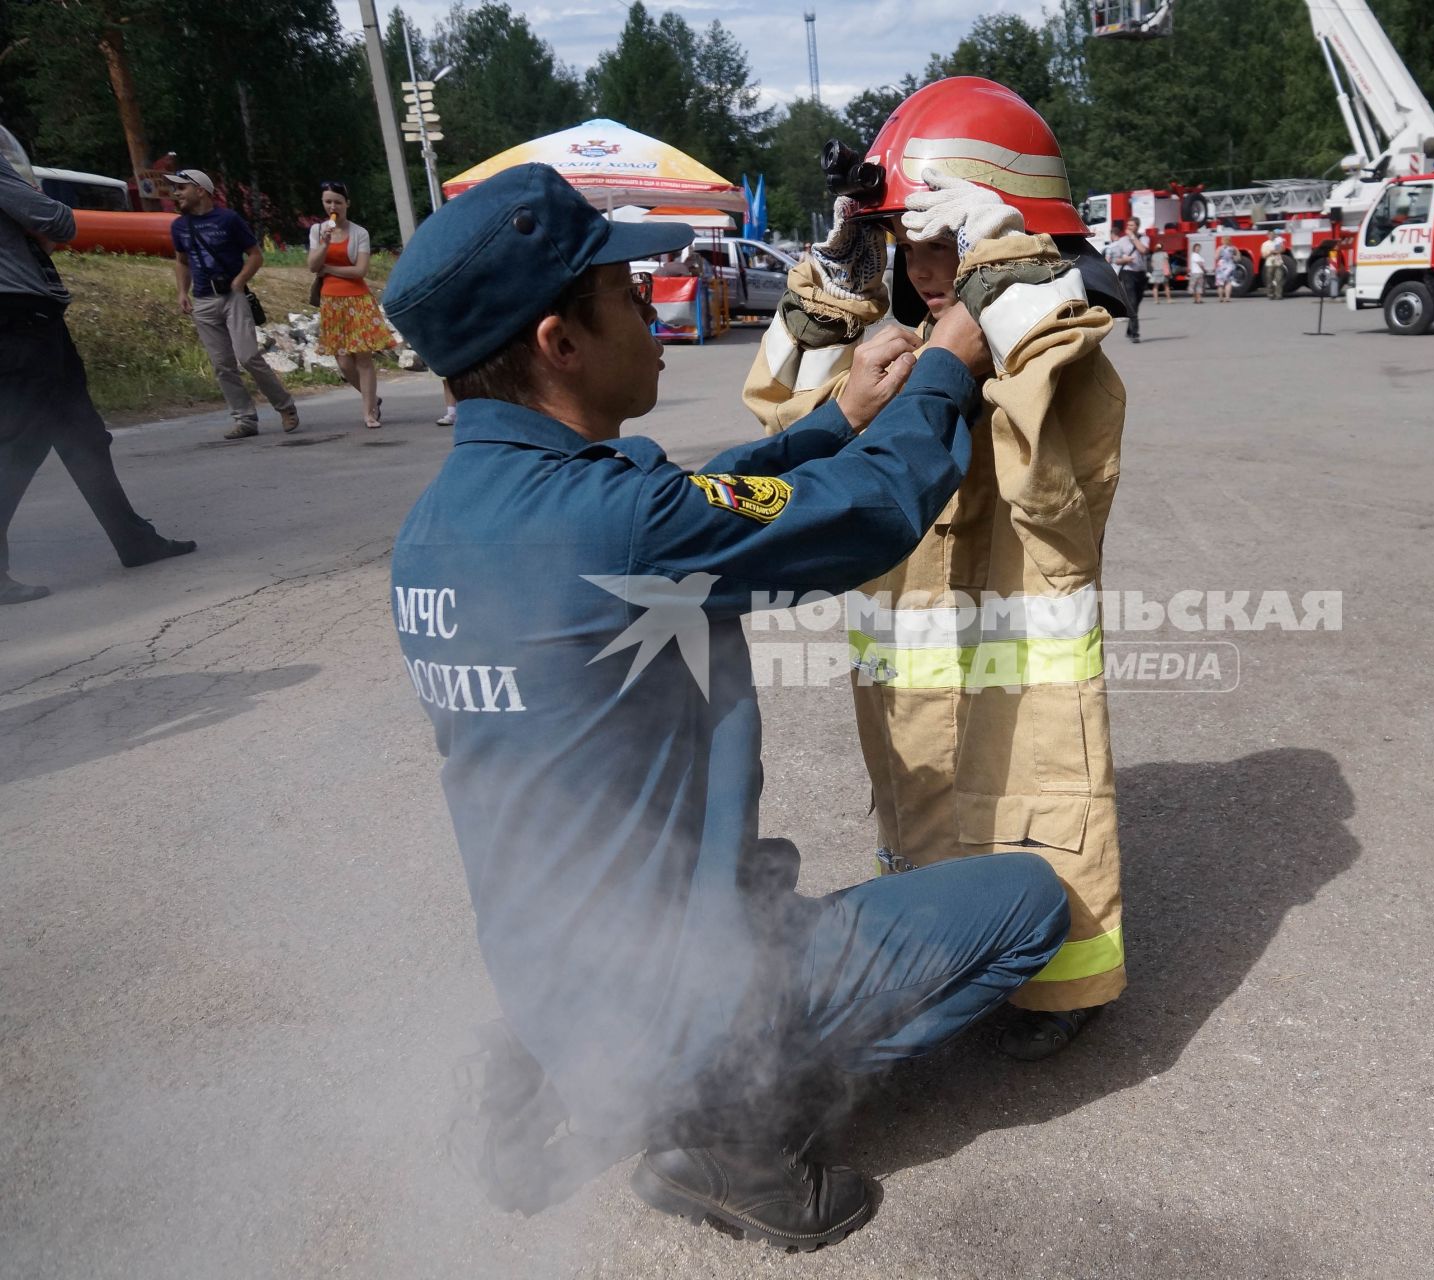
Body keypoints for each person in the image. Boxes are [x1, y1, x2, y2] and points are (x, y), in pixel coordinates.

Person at [381, 162, 1067, 1249]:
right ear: (559, 341)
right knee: (1030, 904)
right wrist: (946, 366)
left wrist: (837, 413)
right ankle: (732, 1137)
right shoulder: (614, 527)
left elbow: (689, 511)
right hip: (686, 991)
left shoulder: (434, 534)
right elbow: (868, 512)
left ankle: (537, 1055)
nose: (658, 311)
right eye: (626, 296)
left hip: (549, 964)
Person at [745, 76, 1131, 1062]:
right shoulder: (903, 354)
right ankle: (950, 949)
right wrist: (832, 286)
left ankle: (1066, 985)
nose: (919, 268)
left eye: (943, 242)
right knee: (924, 820)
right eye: (900, 241)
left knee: (1038, 811)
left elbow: (1053, 475)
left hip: (1021, 693)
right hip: (913, 694)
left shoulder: (1061, 357)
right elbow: (785, 416)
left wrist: (1003, 289)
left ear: (1001, 239)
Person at [0, 142, 194, 604]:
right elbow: (59, 222)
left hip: (28, 318)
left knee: (82, 435)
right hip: (18, 318)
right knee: (19, 444)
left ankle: (134, 540)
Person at [168, 169, 299, 440]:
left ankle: (285, 406)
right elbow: (181, 261)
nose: (176, 193)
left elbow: (255, 255)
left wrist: (239, 281)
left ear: (200, 190)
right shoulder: (179, 226)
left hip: (232, 296)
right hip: (203, 301)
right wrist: (182, 291)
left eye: (182, 188)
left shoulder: (228, 219)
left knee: (248, 355)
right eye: (175, 188)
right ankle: (245, 419)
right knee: (222, 364)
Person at [305, 181, 391, 430]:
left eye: (338, 202)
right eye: (328, 202)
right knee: (343, 362)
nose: (333, 207)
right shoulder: (317, 231)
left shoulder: (359, 233)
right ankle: (372, 398)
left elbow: (360, 270)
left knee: (363, 359)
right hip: (331, 302)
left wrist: (329, 269)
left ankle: (369, 412)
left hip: (357, 299)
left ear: (347, 204)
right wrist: (324, 244)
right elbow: (312, 266)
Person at [1104, 217, 1145, 341]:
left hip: (1141, 273)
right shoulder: (1121, 241)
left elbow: (1143, 250)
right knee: (1132, 302)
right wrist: (1125, 260)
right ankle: (1134, 334)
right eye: (1128, 225)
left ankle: (1129, 329)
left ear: (1137, 226)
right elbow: (1116, 260)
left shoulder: (1144, 238)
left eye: (1132, 225)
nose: (1129, 227)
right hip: (1127, 273)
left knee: (1136, 303)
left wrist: (1133, 237)